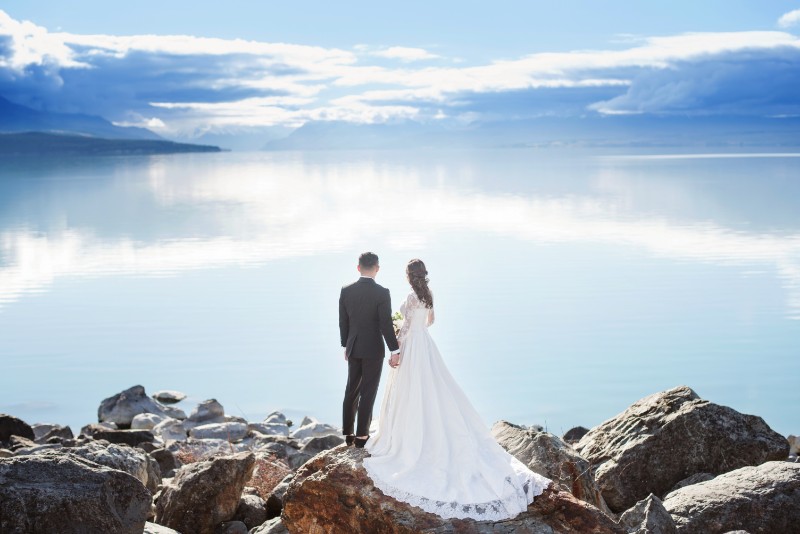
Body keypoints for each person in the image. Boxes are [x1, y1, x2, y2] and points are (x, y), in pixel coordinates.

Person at [362, 259, 551, 521]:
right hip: (426, 345)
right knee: (433, 388)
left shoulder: (410, 296)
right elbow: (430, 321)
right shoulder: (428, 294)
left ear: (408, 276)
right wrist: (414, 331)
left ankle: (410, 430)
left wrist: (397, 349)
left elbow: (405, 328)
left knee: (412, 390)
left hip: (412, 346)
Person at [339, 252, 400, 448]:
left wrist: (345, 345)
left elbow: (343, 322)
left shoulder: (346, 290)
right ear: (377, 268)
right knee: (368, 391)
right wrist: (394, 349)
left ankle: (348, 433)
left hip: (354, 345)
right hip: (373, 348)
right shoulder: (382, 293)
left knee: (351, 389)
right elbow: (385, 325)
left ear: (358, 268)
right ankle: (362, 435)